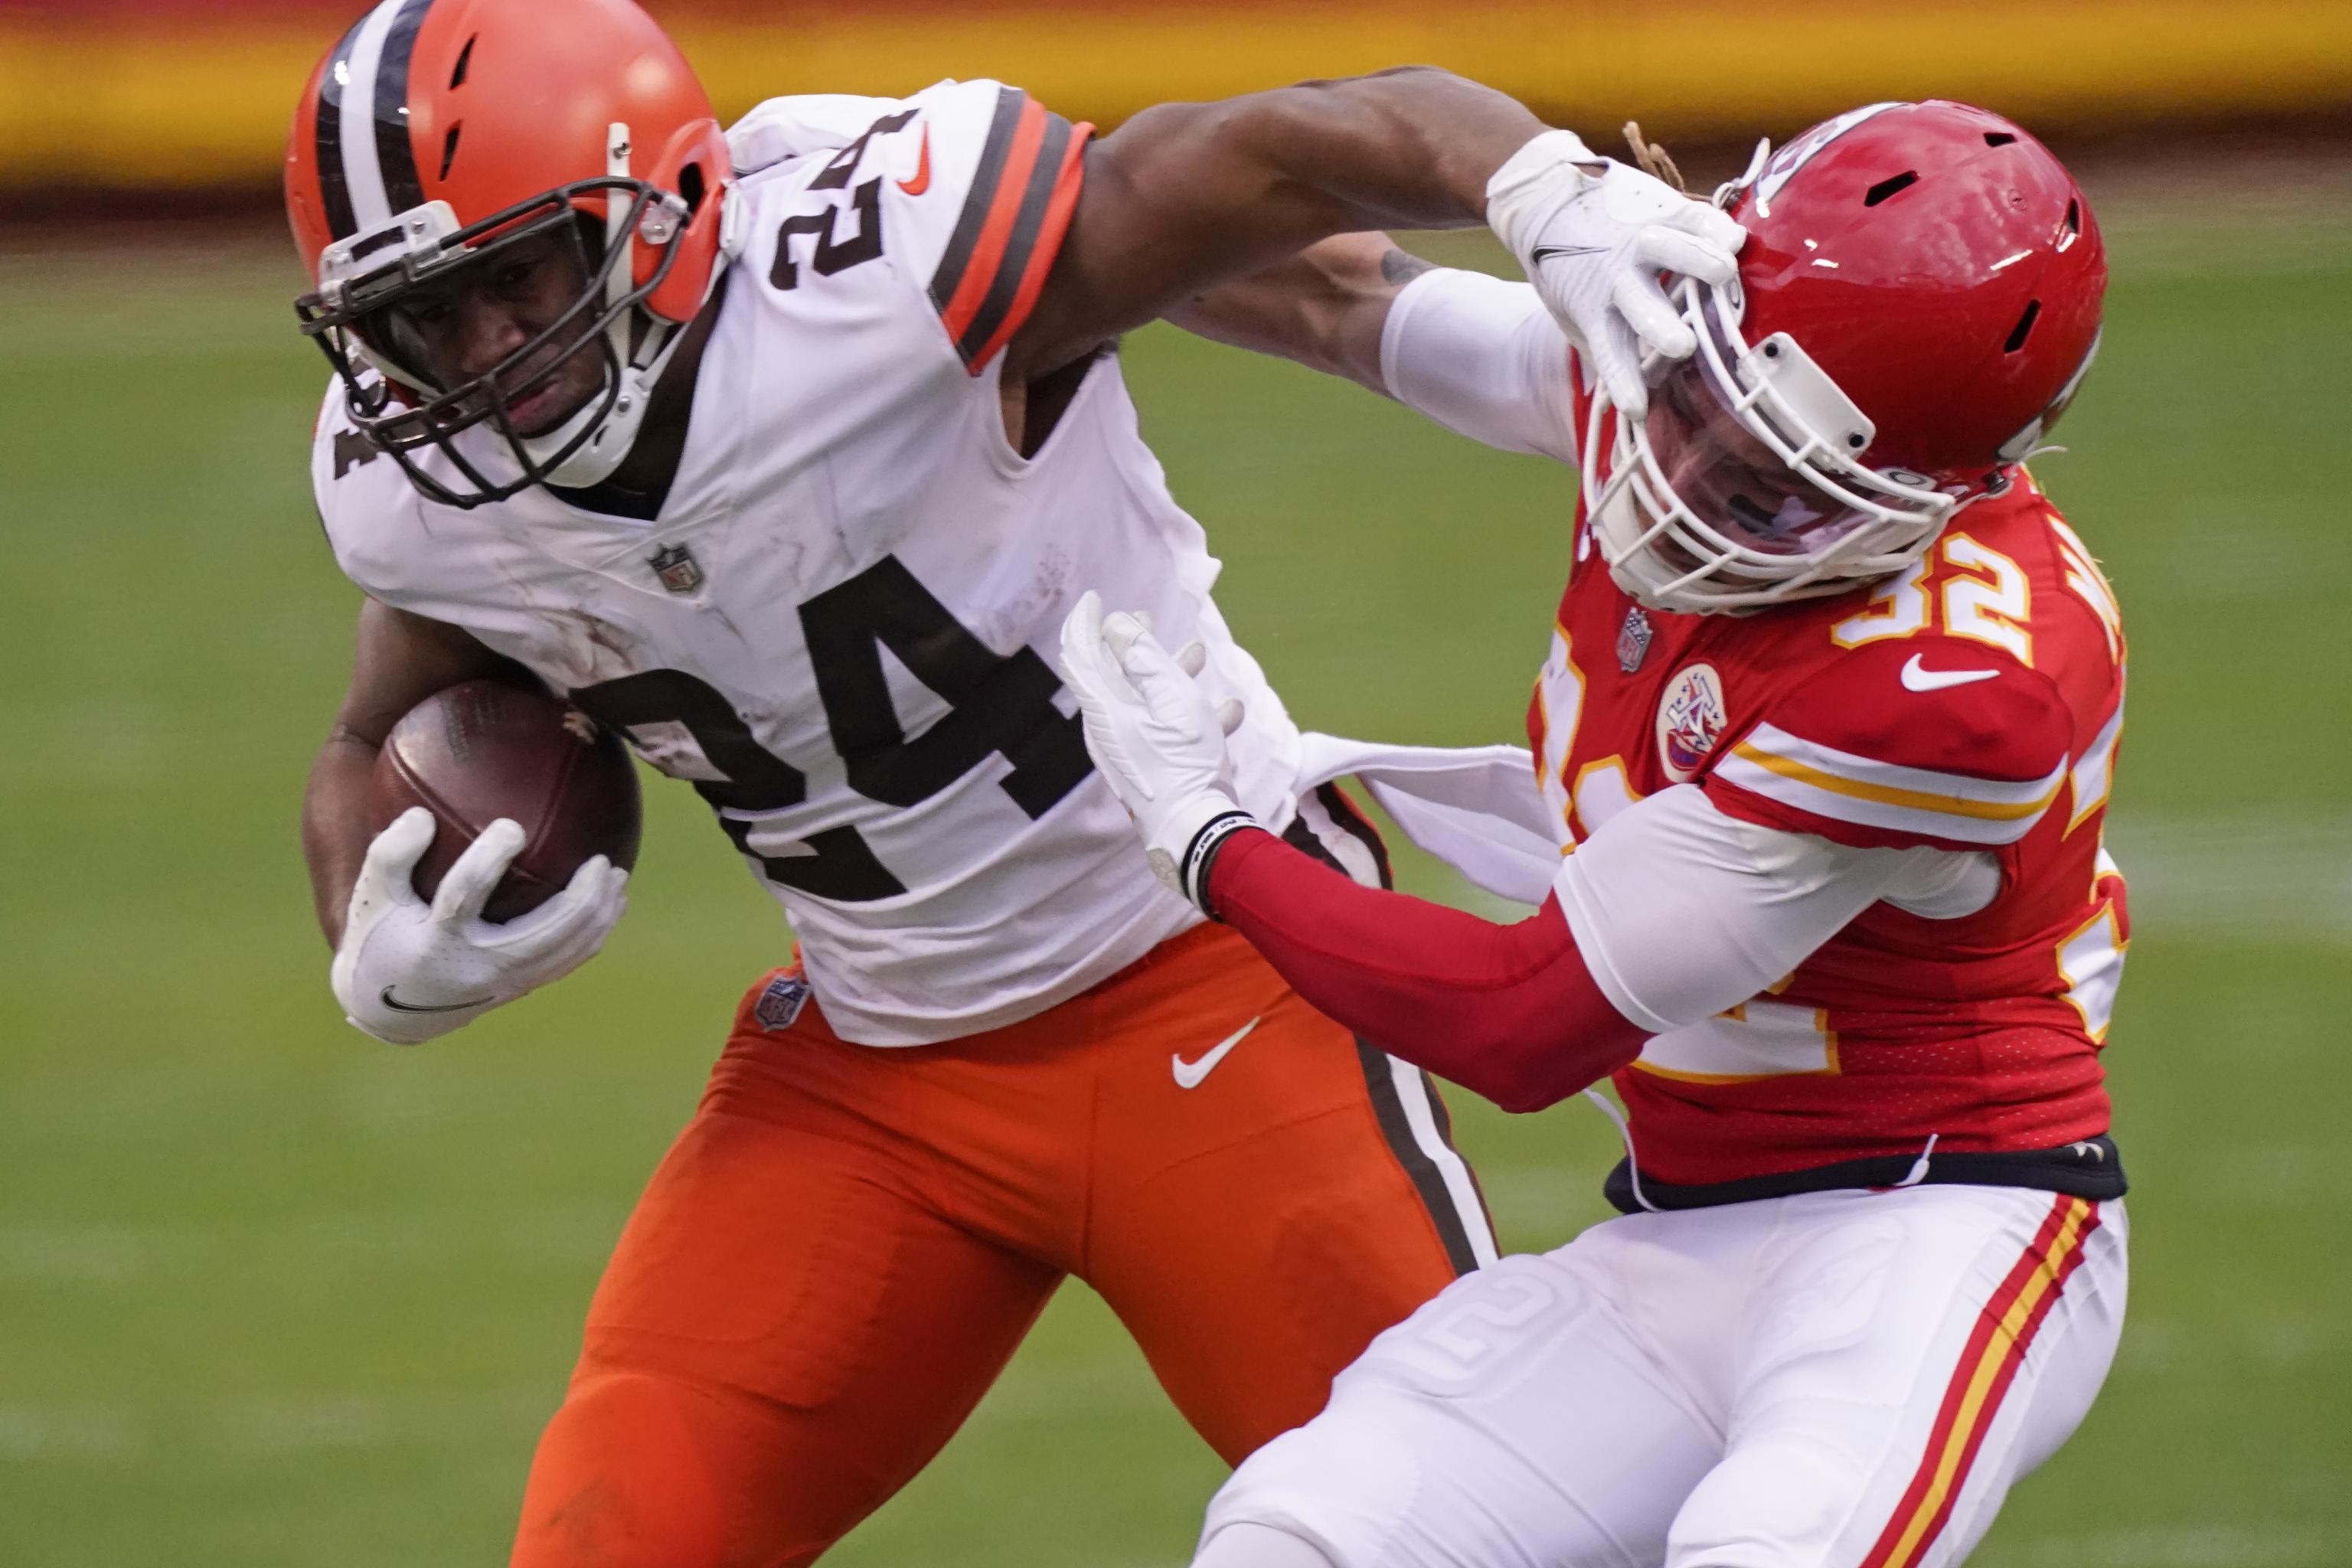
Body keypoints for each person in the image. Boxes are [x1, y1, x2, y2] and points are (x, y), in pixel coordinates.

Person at [282, 0, 1746, 1560]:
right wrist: (370, 930)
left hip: (1220, 982)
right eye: (426, 318)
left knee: (1484, 1534)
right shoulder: (419, 496)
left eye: (515, 276)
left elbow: (1287, 150)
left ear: (666, 212)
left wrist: (1542, 188)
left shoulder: (884, 268)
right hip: (875, 1067)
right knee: (608, 1534)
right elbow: (377, 732)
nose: (483, 356)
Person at [1061, 100, 2128, 1568]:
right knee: (1297, 1538)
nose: (1688, 490)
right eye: (1698, 413)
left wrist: (1211, 840)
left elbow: (1523, 1027)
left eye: (1773, 489)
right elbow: (1319, 290)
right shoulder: (1679, 370)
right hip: (1674, 1228)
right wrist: (1025, 196)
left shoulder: (1957, 684)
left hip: (1938, 1217)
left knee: (1771, 1549)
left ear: (1944, 492)